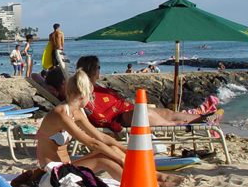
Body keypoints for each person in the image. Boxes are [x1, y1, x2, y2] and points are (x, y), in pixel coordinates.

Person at [35, 69, 182, 187]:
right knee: (105, 160)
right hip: (53, 173)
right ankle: (145, 183)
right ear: (83, 95)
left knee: (114, 150)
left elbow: (101, 137)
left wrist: (126, 152)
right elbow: (92, 143)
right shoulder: (60, 115)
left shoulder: (77, 112)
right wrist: (120, 158)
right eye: (90, 96)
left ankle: (154, 176)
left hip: (67, 166)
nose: (91, 100)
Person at [75, 55, 219, 132]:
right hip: (117, 118)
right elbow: (96, 114)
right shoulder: (82, 90)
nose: (100, 70)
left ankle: (202, 118)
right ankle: (172, 125)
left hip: (124, 110)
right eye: (98, 67)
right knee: (144, 113)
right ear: (93, 69)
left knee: (166, 111)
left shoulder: (96, 86)